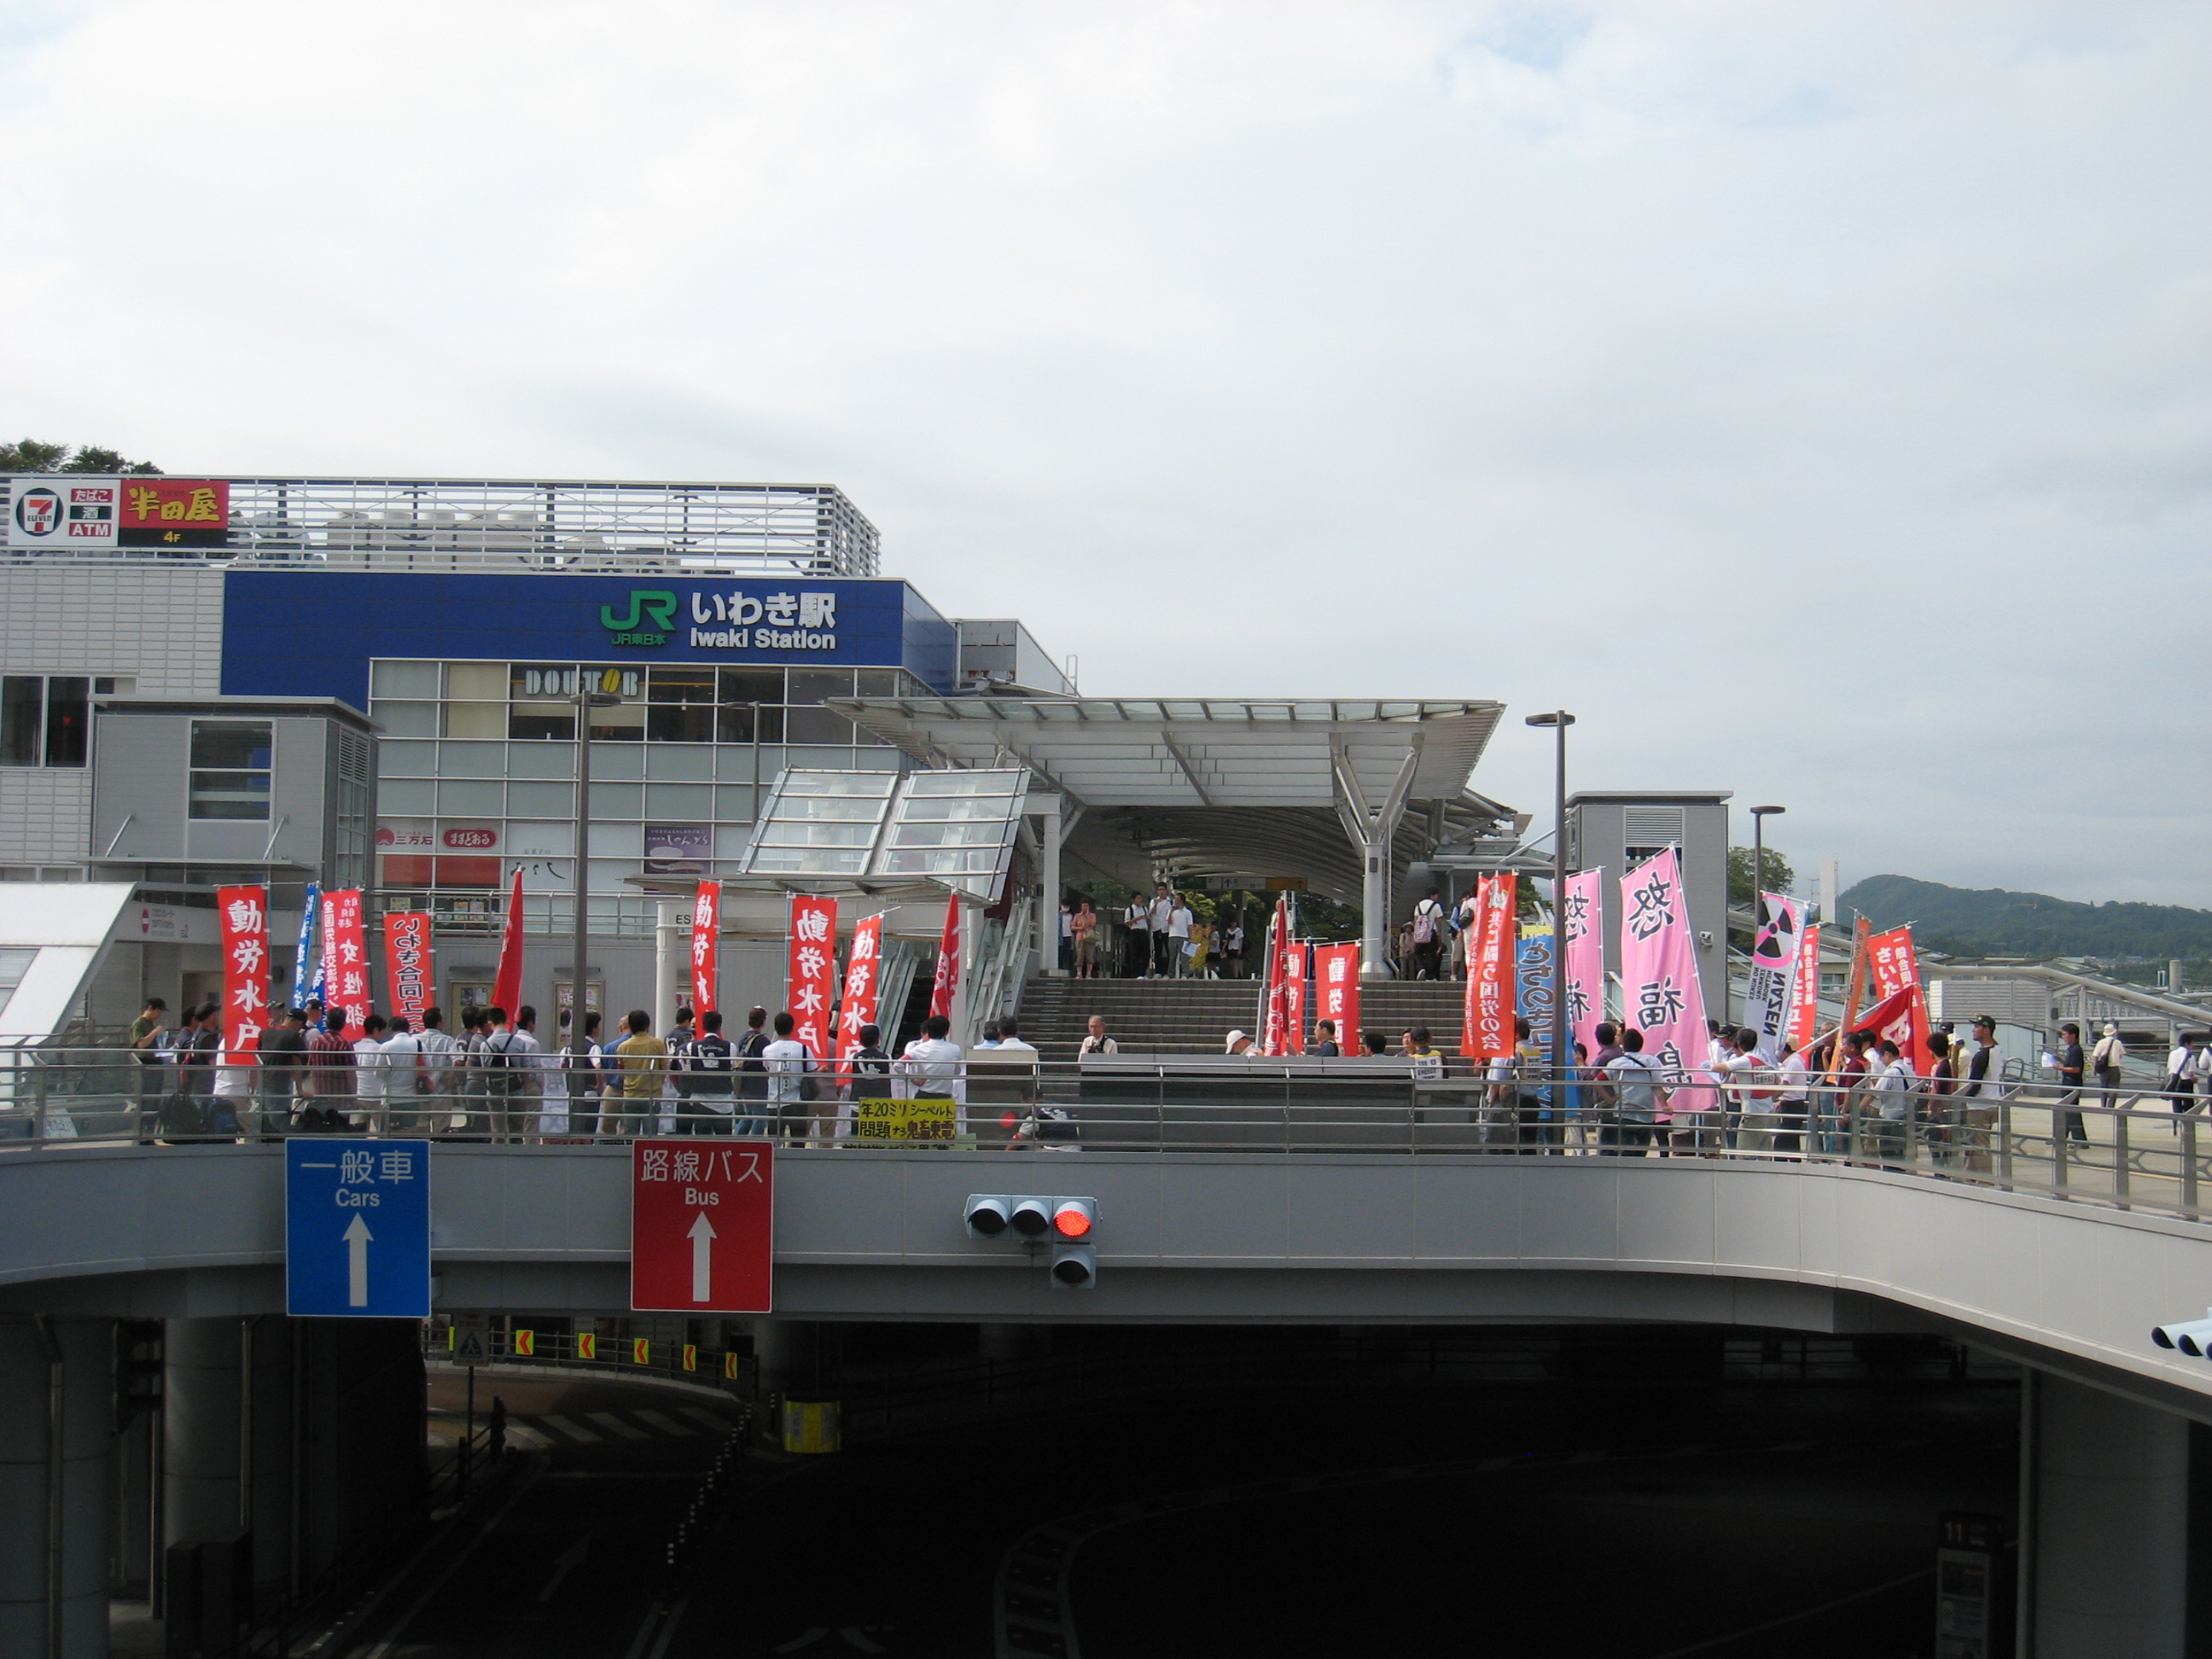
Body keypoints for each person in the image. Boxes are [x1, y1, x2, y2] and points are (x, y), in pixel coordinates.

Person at [896, 1014, 967, 1133]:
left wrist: (913, 1079)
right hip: (945, 1097)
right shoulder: (955, 1049)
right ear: (947, 1032)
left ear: (928, 1032)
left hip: (924, 1095)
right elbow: (957, 1071)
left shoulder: (919, 1049)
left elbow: (898, 1065)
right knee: (944, 1133)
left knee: (920, 1131)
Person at [1603, 1028, 1666, 1155]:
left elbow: (1597, 1081)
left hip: (1623, 1112)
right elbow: (1658, 1086)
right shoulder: (1651, 1061)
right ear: (1641, 1044)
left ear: (1624, 1045)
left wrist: (1609, 1099)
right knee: (1641, 1151)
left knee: (1625, 1151)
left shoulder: (1616, 1063)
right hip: (1646, 1113)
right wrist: (1665, 1105)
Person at [764, 1011, 821, 1144]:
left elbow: (767, 1069)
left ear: (775, 1028)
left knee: (774, 1144)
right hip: (797, 1102)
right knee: (798, 1142)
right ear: (792, 1027)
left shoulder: (767, 1051)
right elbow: (813, 1072)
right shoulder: (803, 1049)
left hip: (774, 1102)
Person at [1959, 1015, 2004, 1173]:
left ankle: (1986, 1178)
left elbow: (1975, 1084)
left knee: (1980, 1145)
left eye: (1977, 1027)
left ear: (1986, 1030)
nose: (1973, 1030)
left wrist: (1962, 1099)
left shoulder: (1981, 1055)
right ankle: (1971, 1175)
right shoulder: (1997, 1049)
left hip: (1979, 1106)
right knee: (1974, 1143)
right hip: (1992, 1101)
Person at [614, 1010, 667, 1140]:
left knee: (631, 1135)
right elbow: (664, 1069)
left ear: (630, 1027)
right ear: (647, 1026)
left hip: (630, 1095)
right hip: (652, 1094)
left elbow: (621, 1072)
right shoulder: (657, 1044)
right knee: (651, 1136)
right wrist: (658, 1082)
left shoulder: (623, 1047)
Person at [258, 1004, 311, 1135]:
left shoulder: (266, 1032)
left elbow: (258, 1055)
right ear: (299, 1023)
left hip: (262, 1084)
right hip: (280, 1085)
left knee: (263, 1123)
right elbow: (296, 1064)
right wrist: (300, 1090)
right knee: (280, 1124)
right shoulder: (293, 1036)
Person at [303, 1002, 354, 1132]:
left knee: (322, 1131)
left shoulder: (316, 1042)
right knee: (341, 1131)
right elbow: (350, 1073)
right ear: (343, 1023)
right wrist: (354, 1095)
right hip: (341, 1099)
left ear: (326, 1022)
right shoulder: (344, 1044)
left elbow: (311, 1067)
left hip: (321, 1097)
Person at [686, 1010, 735, 1133]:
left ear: (702, 1026)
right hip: (724, 1103)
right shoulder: (730, 1047)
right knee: (724, 1142)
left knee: (703, 1142)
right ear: (720, 1026)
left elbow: (689, 1068)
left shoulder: (692, 1047)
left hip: (700, 1101)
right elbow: (733, 1066)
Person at [1871, 1038, 1916, 1167]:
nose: (1882, 1061)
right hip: (1906, 1117)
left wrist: (1858, 1108)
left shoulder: (1891, 1072)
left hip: (1890, 1118)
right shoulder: (1909, 1070)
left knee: (1887, 1154)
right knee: (1900, 1154)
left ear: (1887, 1054)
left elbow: (1875, 1093)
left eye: (1882, 1058)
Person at [418, 1006, 462, 1134]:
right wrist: (451, 1079)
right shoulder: (447, 1040)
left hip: (419, 1089)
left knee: (420, 1130)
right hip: (441, 1090)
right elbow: (458, 1061)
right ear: (438, 1023)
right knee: (441, 1130)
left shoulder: (415, 1039)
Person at [734, 1006, 771, 1138]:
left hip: (744, 1082)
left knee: (748, 1116)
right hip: (758, 1083)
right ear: (763, 1021)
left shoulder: (743, 1038)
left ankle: (738, 1141)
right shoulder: (763, 1041)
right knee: (759, 1119)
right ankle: (755, 1144)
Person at [1923, 1030, 1959, 1167]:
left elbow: (1938, 1090)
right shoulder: (1947, 1065)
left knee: (1936, 1143)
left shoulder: (1941, 1068)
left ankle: (1940, 1170)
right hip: (1945, 1110)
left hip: (1940, 1112)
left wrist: (1931, 1108)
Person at [352, 1014, 391, 1131]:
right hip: (376, 1096)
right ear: (376, 1030)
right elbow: (385, 1072)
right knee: (382, 1131)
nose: (382, 1034)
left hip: (358, 1094)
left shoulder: (354, 1047)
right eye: (381, 1031)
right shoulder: (379, 1049)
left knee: (357, 1131)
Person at [131, 997, 170, 1111]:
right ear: (150, 1008)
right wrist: (155, 1032)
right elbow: (141, 1044)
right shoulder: (139, 1023)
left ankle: (152, 1116)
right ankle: (145, 1118)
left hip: (155, 1061)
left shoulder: (150, 1024)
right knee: (147, 1096)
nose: (160, 1015)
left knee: (155, 1095)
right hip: (145, 1062)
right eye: (159, 1011)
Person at [2053, 1022, 2087, 1144]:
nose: (2064, 1037)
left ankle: (2080, 1140)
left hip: (2072, 1083)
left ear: (2073, 1035)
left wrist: (2059, 1068)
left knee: (2072, 1112)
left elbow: (2076, 1069)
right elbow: (2070, 1065)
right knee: (2066, 1111)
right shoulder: (2071, 1049)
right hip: (2068, 1082)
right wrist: (2061, 1061)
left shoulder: (2076, 1050)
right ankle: (2061, 1137)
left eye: (2065, 1035)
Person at [1411, 888, 1446, 981]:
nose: (1437, 898)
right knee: (1431, 954)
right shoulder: (1436, 906)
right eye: (1437, 895)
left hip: (1420, 934)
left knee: (1418, 952)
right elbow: (1439, 922)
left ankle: (1421, 967)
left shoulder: (1418, 905)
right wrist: (1440, 935)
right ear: (1432, 895)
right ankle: (1429, 976)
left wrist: (1416, 934)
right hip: (1431, 933)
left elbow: (1415, 920)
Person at [2091, 1022, 2127, 1110]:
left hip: (2104, 1069)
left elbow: (2095, 1056)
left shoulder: (2100, 1042)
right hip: (2115, 1068)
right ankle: (2111, 1106)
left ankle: (2103, 1105)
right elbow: (2122, 1054)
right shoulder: (2117, 1043)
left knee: (2104, 1087)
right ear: (2114, 1033)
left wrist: (2095, 1068)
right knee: (2114, 1088)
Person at [2165, 1033, 2200, 1121]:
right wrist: (2195, 1079)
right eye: (2192, 1043)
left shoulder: (2172, 1054)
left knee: (2176, 1104)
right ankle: (2187, 1124)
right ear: (2187, 1044)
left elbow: (2170, 1068)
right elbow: (2191, 1073)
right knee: (2189, 1106)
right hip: (2186, 1083)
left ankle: (2176, 1123)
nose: (2193, 1046)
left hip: (2174, 1082)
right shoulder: (2190, 1056)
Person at [1149, 884, 1175, 978]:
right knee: (1158, 950)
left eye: (1163, 889)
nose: (1161, 892)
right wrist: (1156, 903)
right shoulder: (1153, 901)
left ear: (1166, 890)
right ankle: (1158, 972)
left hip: (1167, 928)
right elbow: (1151, 912)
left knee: (1168, 951)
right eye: (1159, 890)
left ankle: (1167, 972)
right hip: (1157, 928)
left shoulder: (1170, 902)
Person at [1166, 892, 1194, 978]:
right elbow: (1169, 922)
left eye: (1177, 900)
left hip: (1184, 936)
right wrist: (1171, 912)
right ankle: (1171, 974)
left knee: (1184, 956)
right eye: (1175, 900)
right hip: (1172, 935)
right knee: (1172, 956)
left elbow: (1190, 926)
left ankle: (1185, 974)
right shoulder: (1171, 910)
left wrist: (1190, 937)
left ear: (1182, 901)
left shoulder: (1187, 912)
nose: (1176, 901)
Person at [1124, 893, 1150, 978]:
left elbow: (1148, 919)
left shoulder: (1144, 908)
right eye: (1138, 898)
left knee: (1146, 953)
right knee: (1134, 953)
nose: (1140, 900)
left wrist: (1147, 918)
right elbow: (1127, 922)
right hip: (1134, 931)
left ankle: (1143, 973)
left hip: (1143, 931)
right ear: (1133, 900)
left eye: (1141, 898)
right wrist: (1135, 919)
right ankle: (1136, 973)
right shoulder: (1130, 909)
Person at [1072, 901, 1099, 978]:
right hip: (1080, 937)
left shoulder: (1092, 915)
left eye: (1086, 906)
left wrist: (1087, 915)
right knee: (1079, 955)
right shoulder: (1077, 916)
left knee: (1090, 955)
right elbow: (1073, 927)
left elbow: (1093, 924)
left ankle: (1089, 973)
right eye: (1083, 906)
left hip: (1089, 937)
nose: (1085, 907)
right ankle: (1079, 973)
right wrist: (1080, 928)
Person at [1221, 915, 1244, 980]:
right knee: (1231, 963)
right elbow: (1227, 940)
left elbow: (1240, 940)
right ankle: (1238, 974)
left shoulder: (1239, 931)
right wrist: (1223, 948)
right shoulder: (1228, 931)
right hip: (1230, 948)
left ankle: (1236, 976)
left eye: (1235, 923)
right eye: (1233, 923)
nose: (1234, 924)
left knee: (1235, 962)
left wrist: (1240, 949)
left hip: (1236, 948)